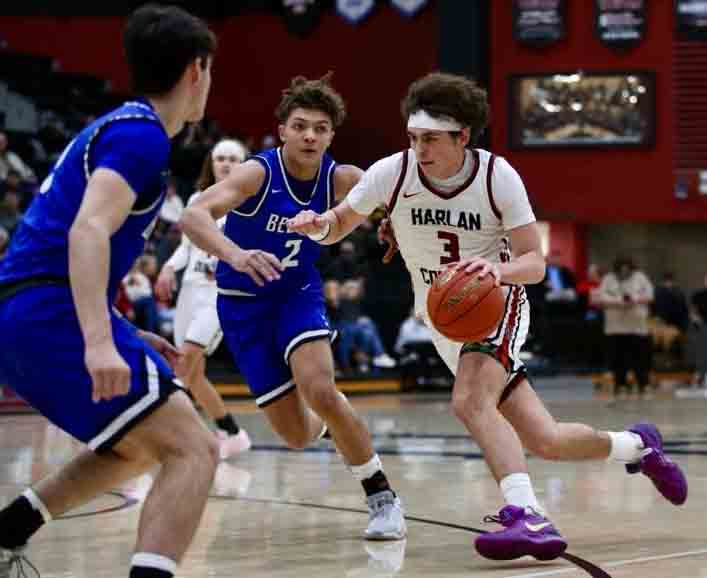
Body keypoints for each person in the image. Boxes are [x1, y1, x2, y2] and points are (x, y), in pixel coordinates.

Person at [287, 72, 687, 562]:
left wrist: (496, 272)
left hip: (497, 302)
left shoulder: (498, 177)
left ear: (462, 137)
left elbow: (534, 263)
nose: (419, 149)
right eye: (413, 138)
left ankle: (528, 515)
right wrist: (318, 225)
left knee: (470, 400)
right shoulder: (392, 172)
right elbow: (340, 224)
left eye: (431, 139)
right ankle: (636, 447)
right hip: (443, 319)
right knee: (545, 439)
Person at [0, 6, 234, 577]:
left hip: (25, 314)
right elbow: (86, 231)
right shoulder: (140, 137)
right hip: (45, 311)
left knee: (135, 444)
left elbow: (65, 239)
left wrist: (125, 331)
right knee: (194, 448)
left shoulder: (121, 128)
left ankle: (10, 528)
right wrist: (100, 342)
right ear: (196, 70)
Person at [180, 74, 406, 540]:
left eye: (320, 128)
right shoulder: (257, 174)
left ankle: (381, 496)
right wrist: (236, 255)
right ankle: (335, 424)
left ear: (331, 136)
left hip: (296, 293)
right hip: (242, 306)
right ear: (282, 130)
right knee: (298, 436)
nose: (309, 136)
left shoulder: (343, 178)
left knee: (320, 387)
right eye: (300, 125)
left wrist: (391, 226)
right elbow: (193, 214)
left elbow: (392, 206)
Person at [155, 138, 252, 459]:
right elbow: (186, 248)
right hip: (190, 291)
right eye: (220, 158)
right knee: (194, 376)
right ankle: (232, 432)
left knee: (183, 363)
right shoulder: (198, 199)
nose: (225, 163)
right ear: (211, 162)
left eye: (233, 159)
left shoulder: (252, 204)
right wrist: (169, 267)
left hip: (220, 296)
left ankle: (158, 439)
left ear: (244, 164)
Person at [598, 257, 655, 399]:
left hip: (637, 326)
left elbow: (650, 295)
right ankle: (620, 385)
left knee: (640, 358)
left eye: (627, 268)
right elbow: (602, 297)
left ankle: (643, 384)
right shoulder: (609, 279)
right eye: (621, 269)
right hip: (615, 327)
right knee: (618, 358)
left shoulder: (640, 277)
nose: (624, 271)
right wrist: (618, 301)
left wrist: (635, 299)